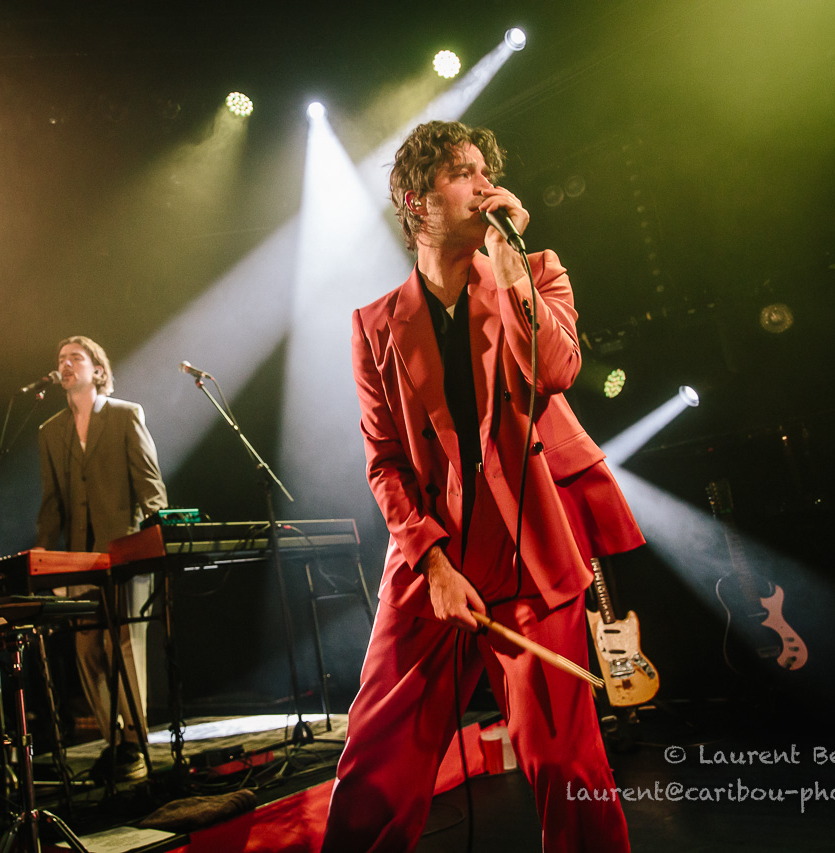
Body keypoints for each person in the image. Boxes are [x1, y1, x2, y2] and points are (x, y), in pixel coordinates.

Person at [320, 121, 645, 852]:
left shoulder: (537, 271)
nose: (484, 184)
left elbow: (555, 372)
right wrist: (432, 564)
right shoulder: (374, 326)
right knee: (376, 767)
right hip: (432, 559)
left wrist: (513, 269)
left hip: (529, 548)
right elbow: (384, 461)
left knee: (566, 764)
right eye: (461, 173)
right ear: (417, 201)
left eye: (483, 170)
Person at [35, 335, 168, 781]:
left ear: (97, 369)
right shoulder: (50, 431)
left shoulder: (125, 414)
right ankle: (115, 743)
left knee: (124, 645)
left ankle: (136, 742)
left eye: (75, 357)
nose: (66, 364)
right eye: (61, 358)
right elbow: (51, 501)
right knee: (87, 648)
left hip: (125, 550)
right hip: (78, 558)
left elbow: (149, 482)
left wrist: (157, 535)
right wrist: (44, 554)